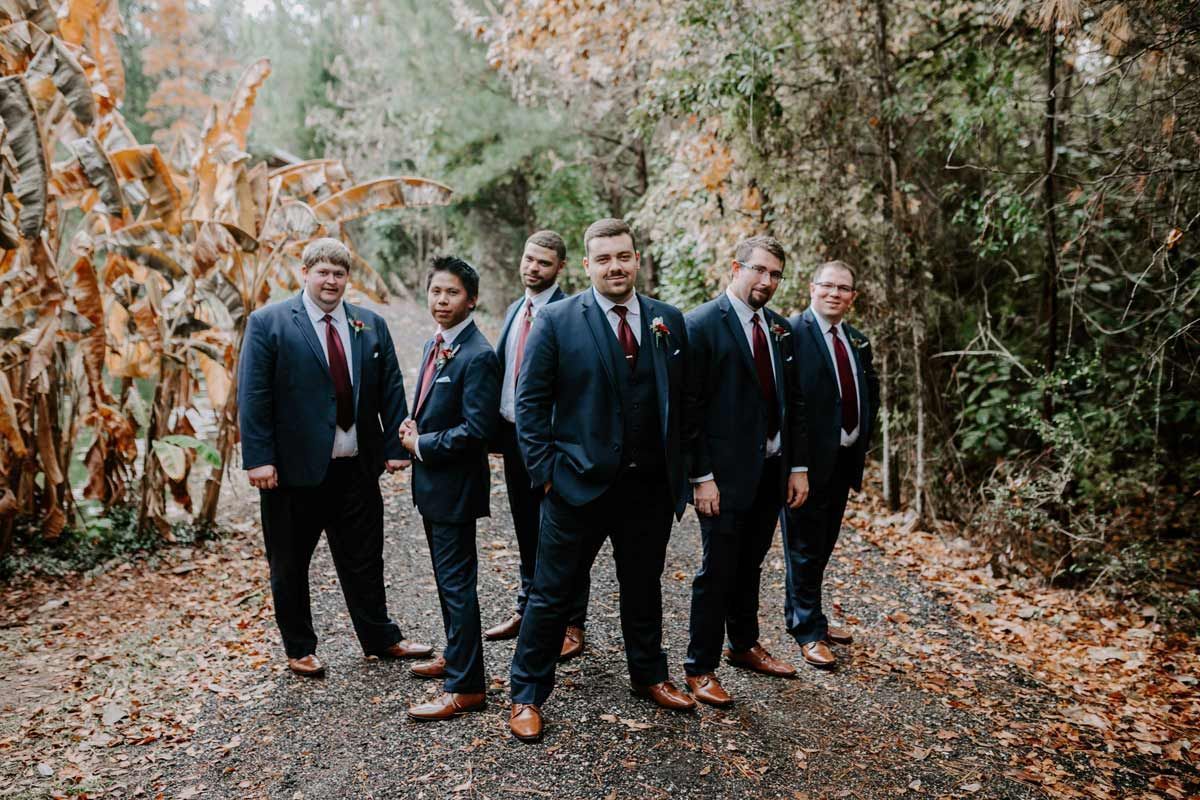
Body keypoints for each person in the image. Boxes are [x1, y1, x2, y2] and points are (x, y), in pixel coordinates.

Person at [507, 218, 693, 743]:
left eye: (624, 256)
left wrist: (679, 472)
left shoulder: (667, 320)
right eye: (604, 258)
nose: (616, 266)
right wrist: (546, 475)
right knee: (551, 593)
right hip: (576, 486)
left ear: (637, 260)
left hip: (648, 488)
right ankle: (526, 693)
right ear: (587, 265)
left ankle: (649, 674)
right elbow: (530, 402)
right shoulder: (560, 319)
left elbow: (683, 403)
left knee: (643, 586)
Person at [237, 237, 431, 678]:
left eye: (339, 273)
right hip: (291, 471)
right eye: (322, 272)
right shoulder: (269, 323)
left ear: (347, 278)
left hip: (355, 467)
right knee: (289, 562)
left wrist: (394, 447)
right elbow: (253, 394)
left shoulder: (369, 324)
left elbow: (390, 388)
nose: (331, 280)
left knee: (365, 557)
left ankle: (381, 638)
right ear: (304, 273)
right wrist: (258, 458)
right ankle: (300, 647)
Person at [682, 235, 811, 707]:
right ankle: (700, 665)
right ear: (736, 267)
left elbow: (792, 402)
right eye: (759, 270)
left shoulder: (780, 329)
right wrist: (701, 476)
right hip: (723, 474)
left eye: (775, 274)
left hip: (772, 469)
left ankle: (743, 644)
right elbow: (689, 411)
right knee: (717, 568)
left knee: (751, 563)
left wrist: (797, 466)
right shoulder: (699, 325)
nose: (767, 281)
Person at [400, 256, 500, 721]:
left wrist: (421, 443)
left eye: (452, 293)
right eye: (436, 291)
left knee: (458, 586)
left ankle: (467, 686)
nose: (442, 300)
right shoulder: (434, 344)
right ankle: (455, 658)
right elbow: (438, 407)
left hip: (456, 487)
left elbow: (476, 431)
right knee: (446, 583)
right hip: (434, 485)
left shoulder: (479, 354)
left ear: (472, 299)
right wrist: (415, 421)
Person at [484, 231, 591, 662]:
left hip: (553, 442)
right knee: (526, 527)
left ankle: (571, 622)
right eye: (529, 259)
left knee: (566, 533)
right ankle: (528, 608)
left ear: (561, 268)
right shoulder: (515, 309)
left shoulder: (571, 314)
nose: (533, 268)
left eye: (544, 263)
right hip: (513, 438)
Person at [782, 260, 879, 668]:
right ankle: (806, 631)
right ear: (812, 288)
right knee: (803, 546)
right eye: (827, 285)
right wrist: (796, 465)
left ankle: (813, 618)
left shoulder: (857, 341)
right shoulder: (788, 334)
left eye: (843, 288)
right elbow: (787, 404)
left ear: (852, 298)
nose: (834, 293)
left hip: (842, 460)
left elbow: (869, 393)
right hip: (804, 466)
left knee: (822, 545)